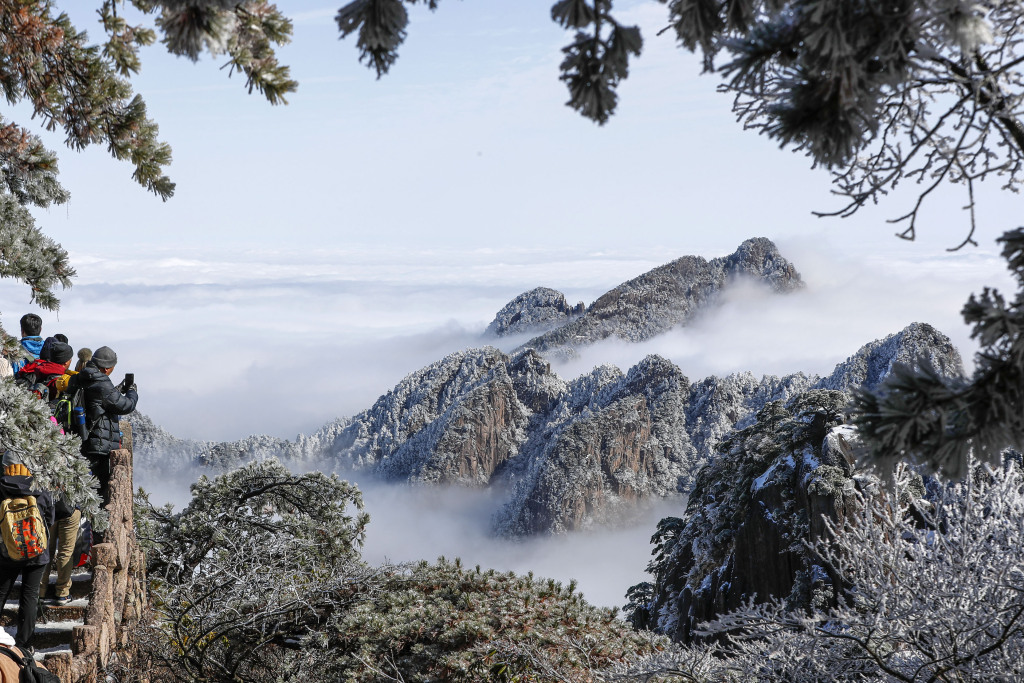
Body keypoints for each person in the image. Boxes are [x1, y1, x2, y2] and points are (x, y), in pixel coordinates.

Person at [0, 451, 56, 653]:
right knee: (29, 596)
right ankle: (24, 643)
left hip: (7, 552)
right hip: (36, 552)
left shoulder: (1, 488)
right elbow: (49, 519)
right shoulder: (39, 487)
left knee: (1, 592)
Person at [76, 346, 137, 505]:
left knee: (87, 487)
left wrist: (117, 389)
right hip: (99, 445)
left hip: (86, 439)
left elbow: (101, 401)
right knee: (101, 492)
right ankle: (96, 527)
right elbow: (125, 405)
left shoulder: (84, 375)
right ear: (106, 368)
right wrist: (132, 392)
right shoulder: (101, 382)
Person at [38, 492, 80, 607]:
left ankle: (40, 591)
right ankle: (62, 593)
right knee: (66, 552)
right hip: (70, 508)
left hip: (48, 507)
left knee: (44, 550)